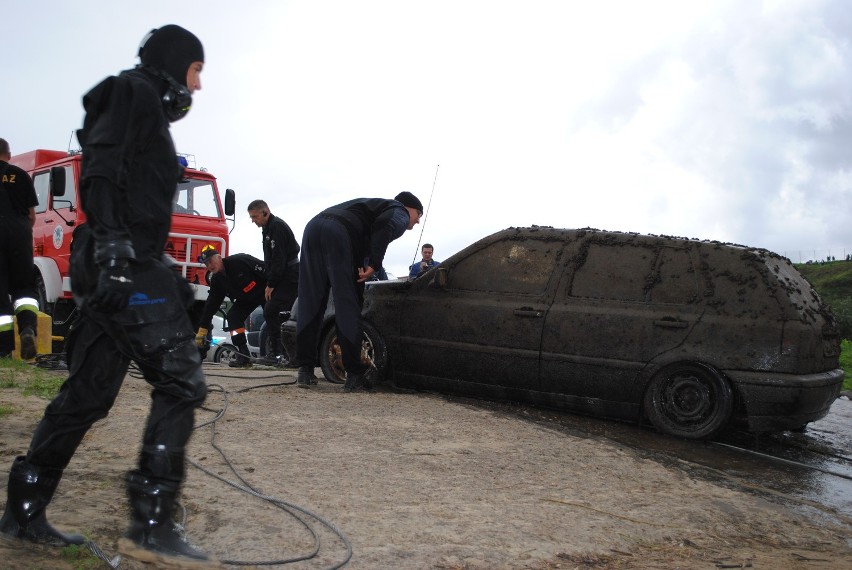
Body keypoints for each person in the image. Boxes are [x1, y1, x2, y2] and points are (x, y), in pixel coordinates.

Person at [0, 25, 218, 567]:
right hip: (118, 265)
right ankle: (151, 526)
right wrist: (121, 251)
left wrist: (159, 264)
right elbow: (99, 169)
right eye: (196, 71)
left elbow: (129, 189)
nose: (199, 85)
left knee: (88, 395)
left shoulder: (142, 105)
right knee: (182, 381)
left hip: (119, 265)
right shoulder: (131, 92)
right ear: (173, 65)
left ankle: (23, 510)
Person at [295, 191, 423, 391]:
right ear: (411, 209)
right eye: (418, 216)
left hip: (313, 228)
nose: (415, 223)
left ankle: (305, 371)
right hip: (341, 233)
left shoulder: (368, 205)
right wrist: (374, 262)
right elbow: (386, 224)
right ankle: (354, 376)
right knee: (348, 304)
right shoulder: (398, 210)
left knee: (310, 300)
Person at [194, 245, 267, 368]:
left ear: (219, 257)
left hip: (265, 291)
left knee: (272, 315)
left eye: (211, 261)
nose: (210, 266)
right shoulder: (217, 281)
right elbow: (211, 305)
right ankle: (243, 354)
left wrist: (273, 286)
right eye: (206, 264)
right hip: (246, 299)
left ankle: (276, 354)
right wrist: (203, 328)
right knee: (233, 317)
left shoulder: (239, 261)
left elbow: (266, 269)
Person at [0, 138, 40, 360]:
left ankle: (4, 348)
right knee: (24, 287)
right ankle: (27, 329)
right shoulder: (21, 175)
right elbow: (31, 215)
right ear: (9, 154)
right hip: (20, 233)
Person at [247, 200, 300, 364]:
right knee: (277, 312)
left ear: (265, 213)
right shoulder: (267, 229)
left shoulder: (277, 227)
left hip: (289, 275)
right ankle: (281, 353)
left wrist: (271, 284)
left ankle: (279, 353)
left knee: (273, 310)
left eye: (255, 216)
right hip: (282, 275)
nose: (253, 221)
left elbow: (279, 259)